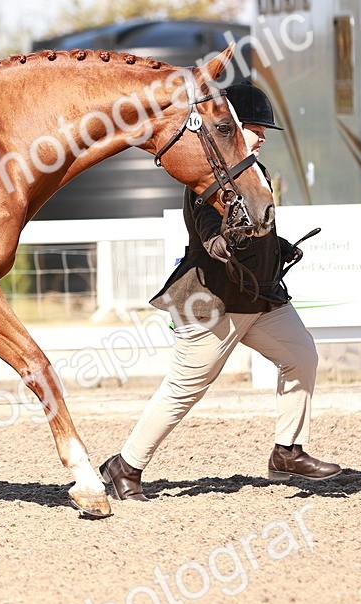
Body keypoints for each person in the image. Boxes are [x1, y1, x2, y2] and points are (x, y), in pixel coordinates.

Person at [100, 82, 341, 502]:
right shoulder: (206, 180)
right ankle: (125, 465)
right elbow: (210, 234)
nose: (262, 135)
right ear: (227, 131)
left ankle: (287, 451)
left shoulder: (256, 174)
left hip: (261, 298)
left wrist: (277, 248)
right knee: (184, 389)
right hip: (214, 303)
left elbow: (260, 230)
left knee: (301, 354)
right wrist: (223, 243)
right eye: (254, 128)